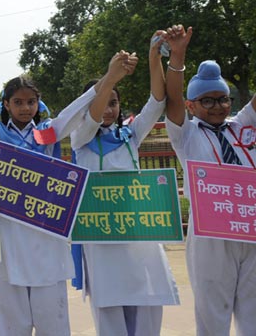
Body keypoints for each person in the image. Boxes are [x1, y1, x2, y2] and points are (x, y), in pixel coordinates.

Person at [0, 54, 112, 335]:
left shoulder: (49, 133)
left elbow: (76, 110)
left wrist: (108, 78)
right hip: (8, 237)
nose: (25, 107)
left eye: (30, 101)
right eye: (17, 102)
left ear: (38, 103)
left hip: (45, 235)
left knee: (51, 316)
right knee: (10, 318)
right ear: (6, 104)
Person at [72, 40, 180, 335]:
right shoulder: (80, 139)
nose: (108, 109)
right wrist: (110, 78)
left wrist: (153, 56)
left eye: (113, 102)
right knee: (110, 313)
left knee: (148, 305)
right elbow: (92, 117)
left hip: (139, 235)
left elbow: (157, 101)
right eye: (103, 101)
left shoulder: (129, 135)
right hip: (101, 240)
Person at [163, 24, 256, 335]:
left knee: (253, 314)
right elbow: (172, 98)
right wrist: (178, 55)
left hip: (250, 229)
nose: (219, 106)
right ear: (192, 106)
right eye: (208, 101)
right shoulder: (186, 134)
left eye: (223, 99)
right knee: (212, 316)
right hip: (211, 236)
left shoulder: (242, 125)